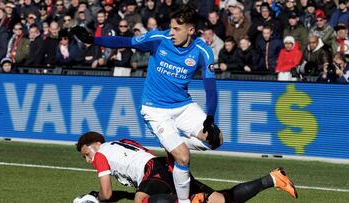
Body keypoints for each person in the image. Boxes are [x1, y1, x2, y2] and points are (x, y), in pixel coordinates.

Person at [72, 5, 222, 203]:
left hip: (183, 106)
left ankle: (175, 142)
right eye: (171, 27)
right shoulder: (158, 40)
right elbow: (124, 41)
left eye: (177, 29)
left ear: (191, 30)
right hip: (156, 110)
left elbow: (210, 88)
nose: (171, 32)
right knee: (183, 157)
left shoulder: (203, 51)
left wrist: (210, 117)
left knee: (217, 139)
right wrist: (93, 40)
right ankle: (185, 201)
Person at [74, 131, 298, 203]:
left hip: (154, 170)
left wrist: (95, 198)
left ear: (95, 145)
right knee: (219, 200)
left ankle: (190, 201)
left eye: (86, 154)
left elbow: (107, 193)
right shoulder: (121, 142)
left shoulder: (101, 154)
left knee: (141, 200)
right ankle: (273, 179)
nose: (88, 160)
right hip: (162, 167)